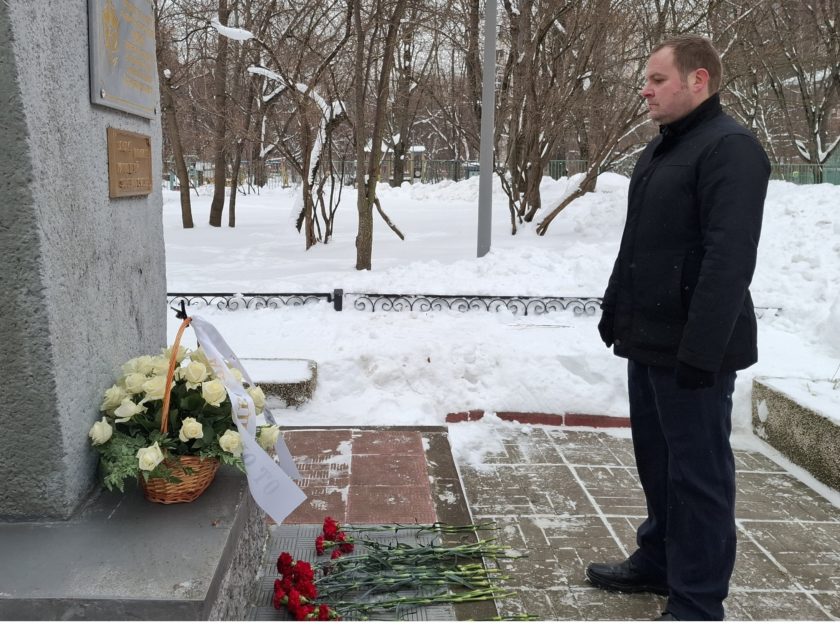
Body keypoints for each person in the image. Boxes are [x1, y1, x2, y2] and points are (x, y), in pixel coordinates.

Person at [587, 35, 770, 621]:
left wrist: (701, 351)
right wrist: (615, 306)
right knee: (658, 464)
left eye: (657, 79)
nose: (645, 90)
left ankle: (697, 600)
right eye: (646, 79)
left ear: (698, 80)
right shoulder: (662, 149)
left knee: (699, 478)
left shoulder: (731, 149)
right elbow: (638, 242)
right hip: (649, 341)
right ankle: (659, 561)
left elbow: (728, 260)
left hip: (694, 351)